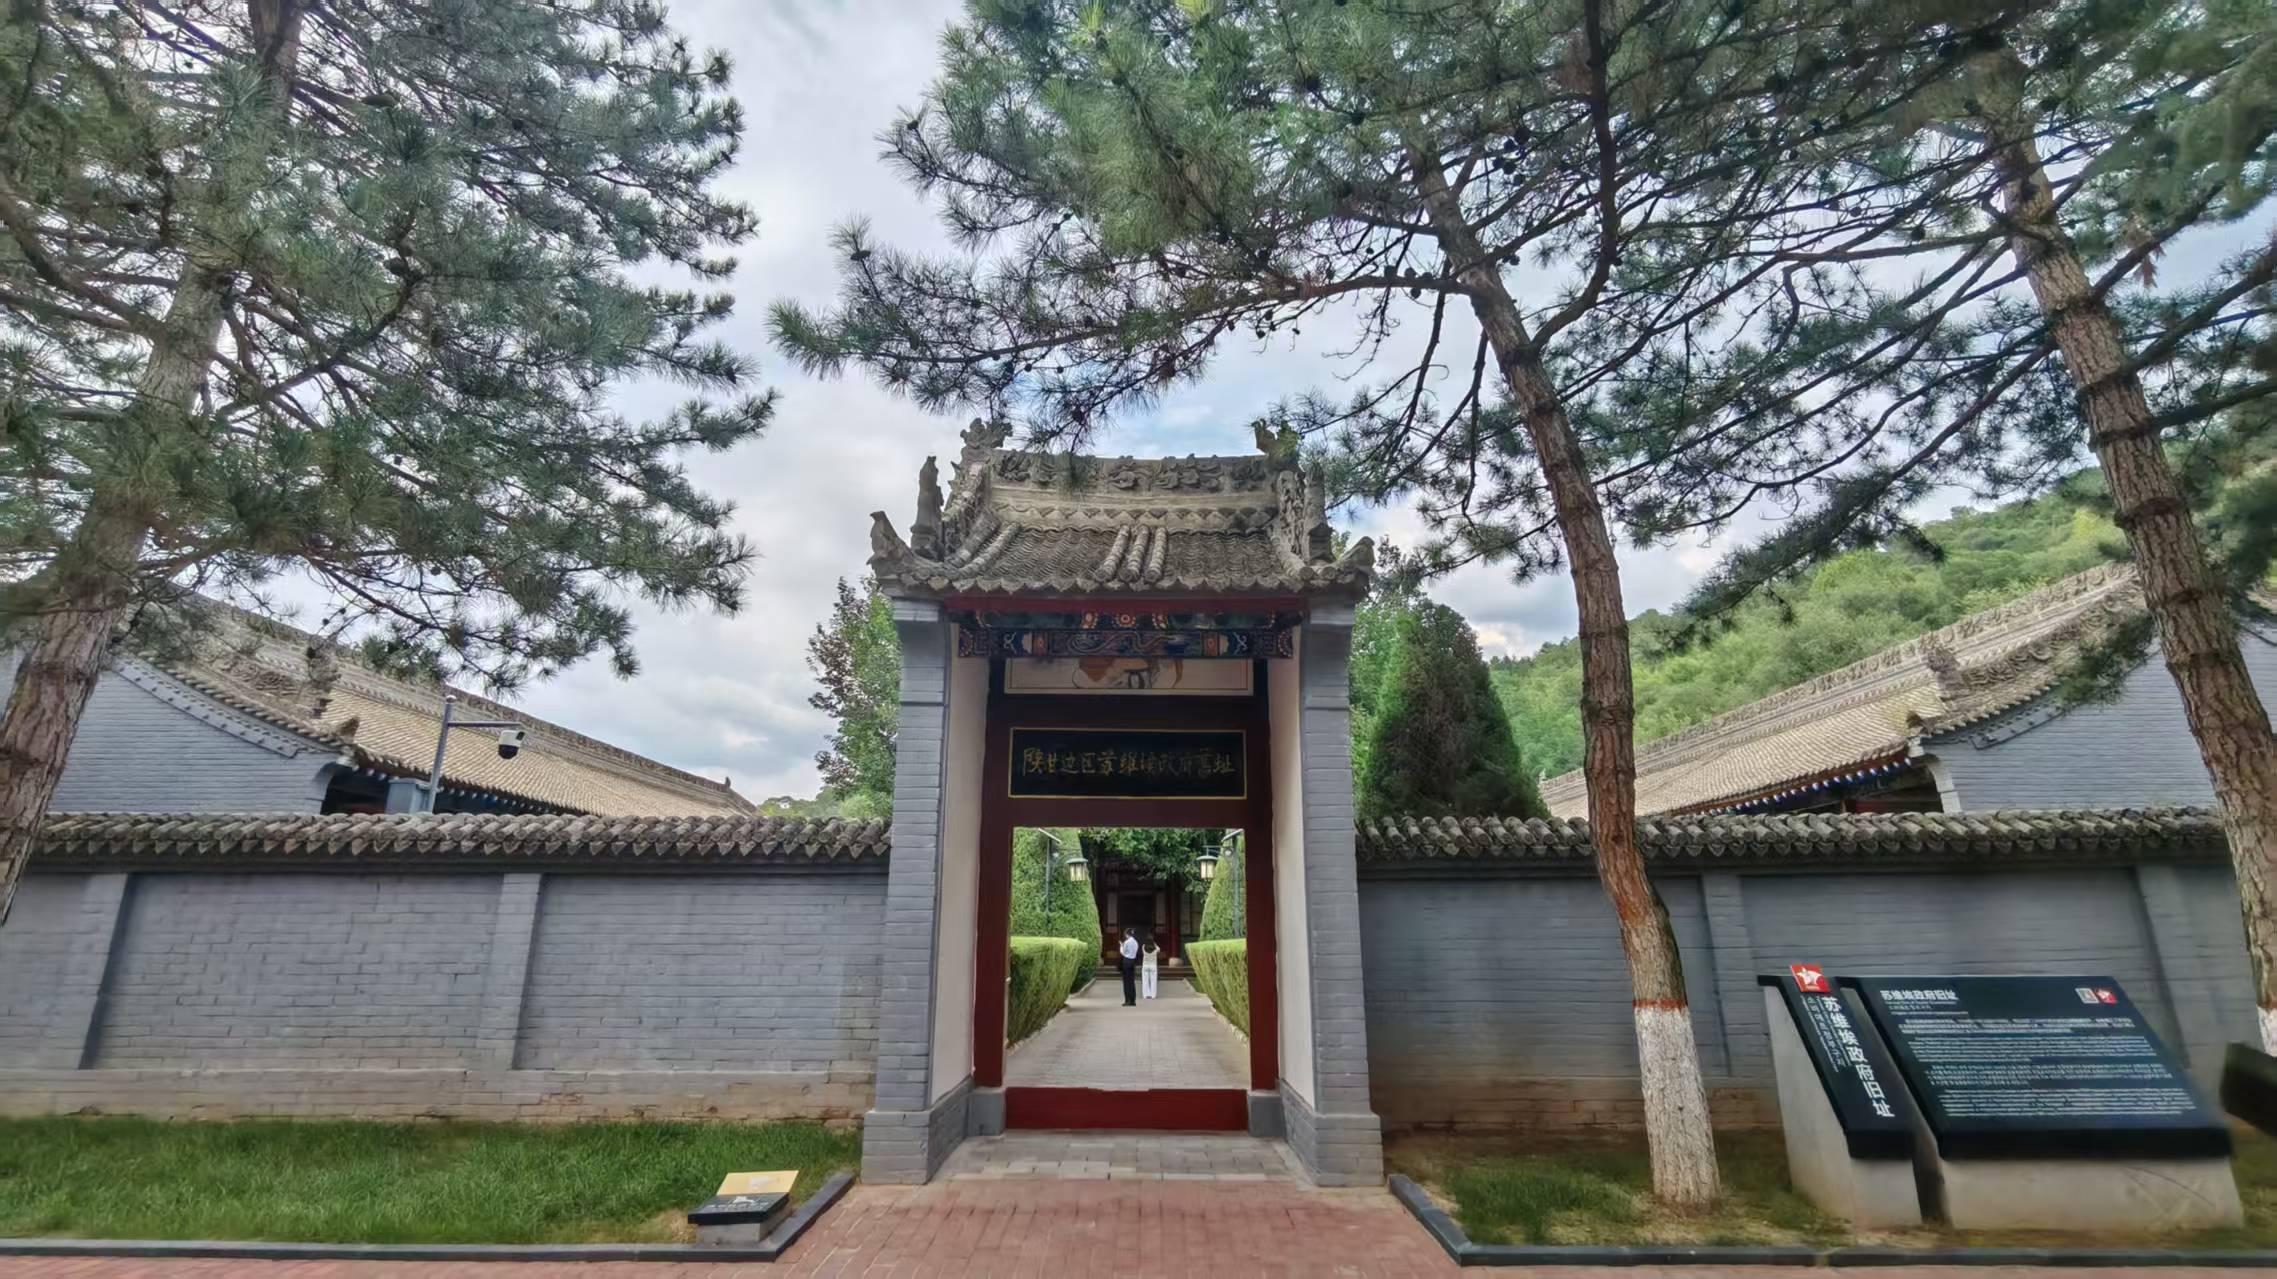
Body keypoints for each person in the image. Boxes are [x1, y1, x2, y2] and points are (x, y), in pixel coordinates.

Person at [1118, 927, 1139, 1006]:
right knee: (1131, 981)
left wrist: (1121, 946)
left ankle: (1127, 1000)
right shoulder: (1136, 942)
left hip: (1126, 961)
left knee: (1126, 982)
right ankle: (1133, 1001)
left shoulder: (1127, 942)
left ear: (1127, 934)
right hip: (1133, 961)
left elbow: (1123, 952)